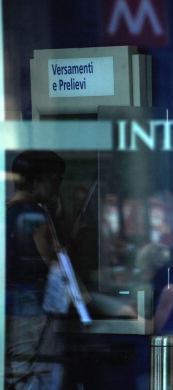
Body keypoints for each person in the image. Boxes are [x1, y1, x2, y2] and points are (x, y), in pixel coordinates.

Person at [5, 150, 67, 389]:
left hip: (8, 305)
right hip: (30, 308)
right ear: (38, 181)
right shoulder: (34, 215)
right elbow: (54, 263)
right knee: (34, 374)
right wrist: (67, 231)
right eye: (56, 179)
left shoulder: (6, 210)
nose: (58, 186)